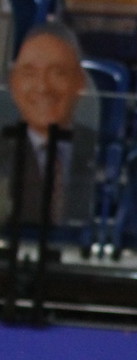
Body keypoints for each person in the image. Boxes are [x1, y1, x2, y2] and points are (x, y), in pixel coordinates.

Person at [4, 24, 96, 228]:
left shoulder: (99, 147)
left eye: (58, 73)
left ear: (80, 82)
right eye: (29, 73)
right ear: (13, 83)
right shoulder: (4, 146)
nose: (43, 87)